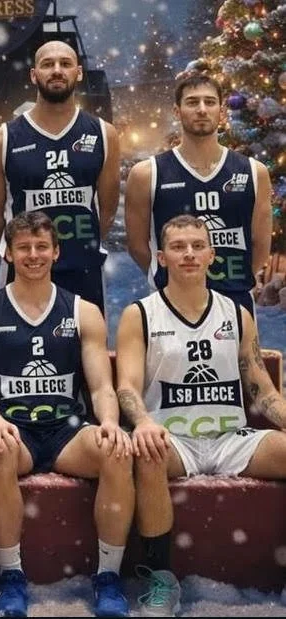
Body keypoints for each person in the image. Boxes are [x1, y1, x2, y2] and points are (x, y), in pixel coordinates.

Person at [0, 211, 133, 617]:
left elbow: (101, 387)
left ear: (56, 252)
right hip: (12, 428)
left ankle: (108, 578)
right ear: (8, 254)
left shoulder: (83, 311)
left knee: (116, 450)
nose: (33, 255)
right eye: (23, 247)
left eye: (42, 247)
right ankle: (11, 576)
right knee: (0, 449)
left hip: (67, 431)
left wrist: (110, 422)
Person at [115, 214, 286, 616]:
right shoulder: (140, 314)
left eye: (197, 246)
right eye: (178, 247)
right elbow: (126, 386)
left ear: (211, 255)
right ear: (162, 258)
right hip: (173, 440)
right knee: (147, 453)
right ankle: (161, 578)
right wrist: (142, 422)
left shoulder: (236, 314)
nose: (189, 254)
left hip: (231, 439)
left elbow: (262, 390)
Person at [0, 41, 121, 313]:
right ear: (34, 75)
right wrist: (25, 248)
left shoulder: (104, 134)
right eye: (48, 64)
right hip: (25, 271)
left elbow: (107, 212)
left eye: (65, 64)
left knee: (88, 341)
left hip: (84, 270)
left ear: (79, 72)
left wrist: (79, 245)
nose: (57, 70)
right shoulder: (1, 139)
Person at [124, 74, 271, 314]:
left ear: (221, 111)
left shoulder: (254, 172)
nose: (202, 109)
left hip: (234, 303)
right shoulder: (147, 174)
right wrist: (172, 279)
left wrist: (232, 282)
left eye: (209, 102)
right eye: (192, 102)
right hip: (170, 304)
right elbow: (137, 246)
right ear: (177, 111)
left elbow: (260, 245)